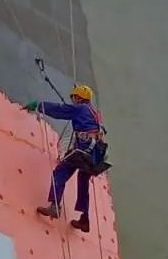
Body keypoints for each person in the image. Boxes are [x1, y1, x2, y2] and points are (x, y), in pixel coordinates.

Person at [25, 84, 108, 234]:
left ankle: (55, 206)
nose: (73, 100)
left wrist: (39, 105)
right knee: (83, 181)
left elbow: (59, 110)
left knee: (60, 172)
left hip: (83, 149)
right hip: (95, 154)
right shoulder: (95, 113)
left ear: (78, 98)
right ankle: (84, 219)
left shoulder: (80, 109)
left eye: (74, 98)